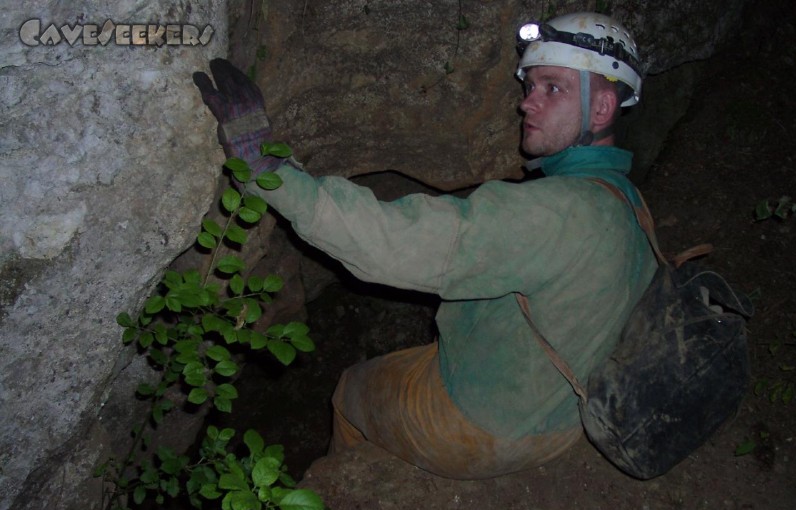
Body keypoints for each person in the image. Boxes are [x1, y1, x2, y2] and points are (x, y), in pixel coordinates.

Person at [193, 12, 657, 479]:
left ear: (601, 109)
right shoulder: (627, 201)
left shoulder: (552, 211)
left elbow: (389, 242)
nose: (527, 104)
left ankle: (344, 488)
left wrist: (267, 170)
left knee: (351, 390)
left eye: (552, 88)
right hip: (565, 418)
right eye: (529, 86)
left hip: (485, 428)